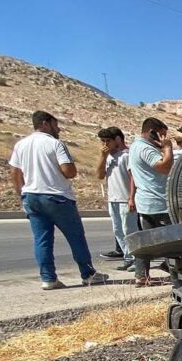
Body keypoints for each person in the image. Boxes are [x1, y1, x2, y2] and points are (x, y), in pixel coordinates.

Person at [9, 110, 108, 289]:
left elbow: (15, 173)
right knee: (75, 236)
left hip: (31, 196)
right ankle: (88, 274)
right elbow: (69, 172)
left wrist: (22, 195)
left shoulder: (21, 145)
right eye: (56, 125)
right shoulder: (55, 144)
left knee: (42, 239)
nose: (59, 129)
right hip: (57, 197)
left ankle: (48, 278)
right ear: (45, 123)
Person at [129, 117, 175, 286]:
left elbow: (133, 174)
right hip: (158, 202)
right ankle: (175, 271)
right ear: (152, 132)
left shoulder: (134, 147)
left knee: (146, 242)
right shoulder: (145, 149)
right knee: (173, 240)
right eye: (161, 135)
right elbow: (164, 167)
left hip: (145, 202)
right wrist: (168, 148)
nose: (163, 139)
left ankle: (141, 275)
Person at [96, 127, 137, 271]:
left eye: (108, 141)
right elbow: (100, 175)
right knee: (118, 230)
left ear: (117, 140)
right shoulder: (107, 158)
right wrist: (102, 157)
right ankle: (128, 257)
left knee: (129, 230)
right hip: (112, 199)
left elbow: (133, 178)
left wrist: (131, 197)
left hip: (125, 198)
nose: (105, 144)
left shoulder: (126, 156)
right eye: (103, 141)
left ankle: (136, 260)